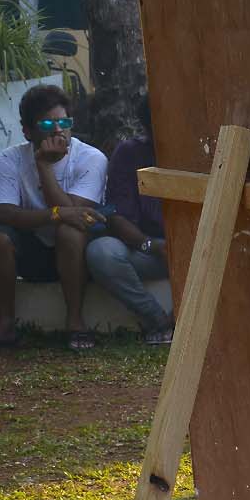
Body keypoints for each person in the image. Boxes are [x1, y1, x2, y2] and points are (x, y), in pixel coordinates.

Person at [0, 84, 107, 352]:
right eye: (48, 123)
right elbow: (5, 212)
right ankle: (5, 323)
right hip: (32, 251)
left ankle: (75, 321)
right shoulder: (11, 158)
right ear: (27, 131)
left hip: (77, 254)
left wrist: (44, 167)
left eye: (64, 122)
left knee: (69, 231)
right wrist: (56, 214)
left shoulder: (91, 158)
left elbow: (77, 216)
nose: (58, 130)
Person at [88, 97, 173, 346]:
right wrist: (152, 245)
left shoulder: (203, 150)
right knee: (101, 251)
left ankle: (182, 319)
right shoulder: (129, 153)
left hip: (196, 250)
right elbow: (117, 216)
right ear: (147, 126)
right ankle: (158, 320)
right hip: (148, 249)